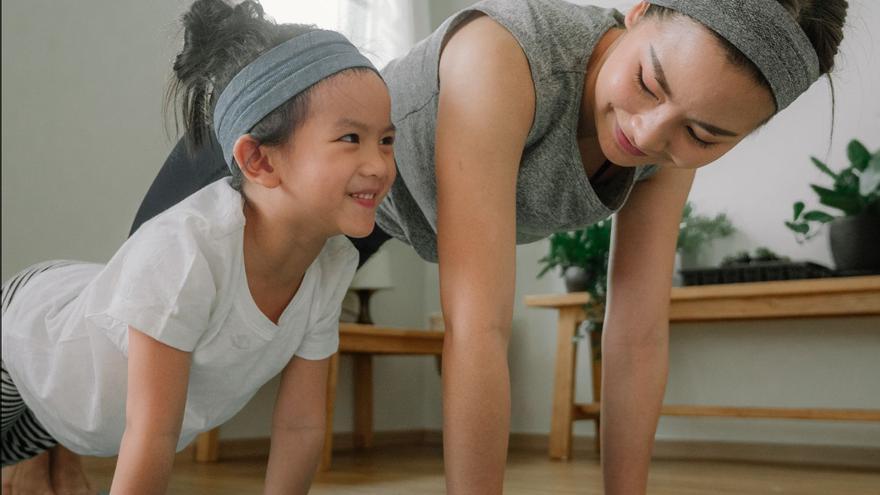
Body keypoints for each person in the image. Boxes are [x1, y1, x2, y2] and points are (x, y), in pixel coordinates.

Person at [129, 0, 848, 493]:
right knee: (115, 341)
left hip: (376, 217)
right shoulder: (504, 57)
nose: (649, 134)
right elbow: (477, 328)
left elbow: (636, 332)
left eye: (704, 134)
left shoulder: (665, 146)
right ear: (639, 11)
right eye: (648, 82)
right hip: (286, 171)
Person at [0, 0, 395, 493]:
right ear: (259, 161)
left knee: (57, 433)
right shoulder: (187, 253)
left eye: (386, 139)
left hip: (84, 407)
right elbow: (152, 434)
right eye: (351, 138)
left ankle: (47, 461)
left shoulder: (332, 263)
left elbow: (301, 425)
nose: (380, 165)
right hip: (26, 339)